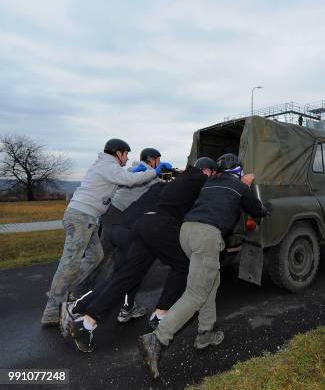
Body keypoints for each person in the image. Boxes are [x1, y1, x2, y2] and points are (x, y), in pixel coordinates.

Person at [60, 157, 218, 352]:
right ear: (208, 171)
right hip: (159, 226)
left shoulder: (176, 181)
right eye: (213, 173)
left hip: (141, 225)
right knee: (184, 264)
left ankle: (87, 322)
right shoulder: (200, 179)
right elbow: (215, 190)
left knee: (127, 275)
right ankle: (161, 314)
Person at [138, 153, 271, 379]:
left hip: (186, 231)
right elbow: (257, 210)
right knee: (196, 293)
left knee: (211, 281)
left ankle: (205, 333)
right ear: (238, 171)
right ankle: (158, 338)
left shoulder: (210, 182)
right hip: (207, 235)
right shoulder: (239, 185)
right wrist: (262, 203)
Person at [41, 139, 164, 326]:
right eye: (126, 154)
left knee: (96, 256)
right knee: (69, 264)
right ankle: (52, 311)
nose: (127, 158)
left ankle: (66, 291)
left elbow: (124, 179)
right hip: (81, 216)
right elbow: (128, 180)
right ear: (118, 153)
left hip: (88, 218)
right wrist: (153, 172)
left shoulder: (108, 166)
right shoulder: (107, 164)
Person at [74, 148, 168, 322]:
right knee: (105, 258)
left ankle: (120, 303)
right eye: (158, 160)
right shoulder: (144, 172)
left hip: (118, 216)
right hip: (117, 216)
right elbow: (149, 182)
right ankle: (81, 293)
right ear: (152, 160)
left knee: (116, 259)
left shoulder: (144, 172)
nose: (160, 163)